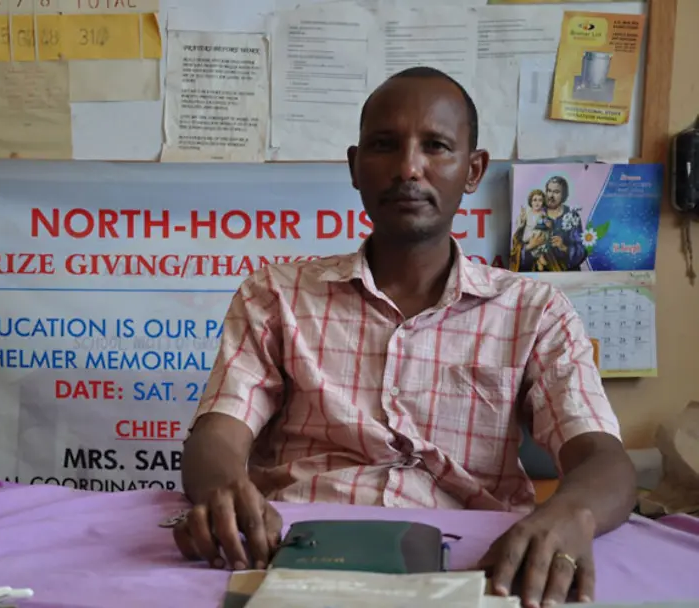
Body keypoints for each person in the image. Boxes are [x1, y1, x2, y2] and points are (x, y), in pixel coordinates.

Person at [171, 67, 636, 608]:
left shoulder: (533, 311)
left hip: (472, 561)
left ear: (472, 169)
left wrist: (570, 514)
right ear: (354, 167)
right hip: (295, 551)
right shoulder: (275, 295)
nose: (408, 169)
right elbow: (217, 437)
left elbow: (603, 459)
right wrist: (224, 488)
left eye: (436, 146)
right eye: (384, 146)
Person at [516, 177, 588, 272]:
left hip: (565, 274)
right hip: (539, 275)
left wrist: (564, 247)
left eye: (556, 192)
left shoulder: (571, 215)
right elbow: (516, 247)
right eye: (549, 191)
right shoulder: (535, 213)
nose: (551, 196)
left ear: (564, 195)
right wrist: (531, 246)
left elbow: (582, 251)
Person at [509, 189, 552, 272]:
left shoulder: (543, 213)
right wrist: (522, 217)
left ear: (543, 202)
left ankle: (539, 259)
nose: (537, 203)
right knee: (535, 239)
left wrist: (548, 224)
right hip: (529, 235)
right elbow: (520, 224)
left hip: (539, 234)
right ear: (531, 202)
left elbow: (547, 222)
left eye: (540, 200)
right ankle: (539, 257)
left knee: (542, 237)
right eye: (534, 200)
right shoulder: (528, 213)